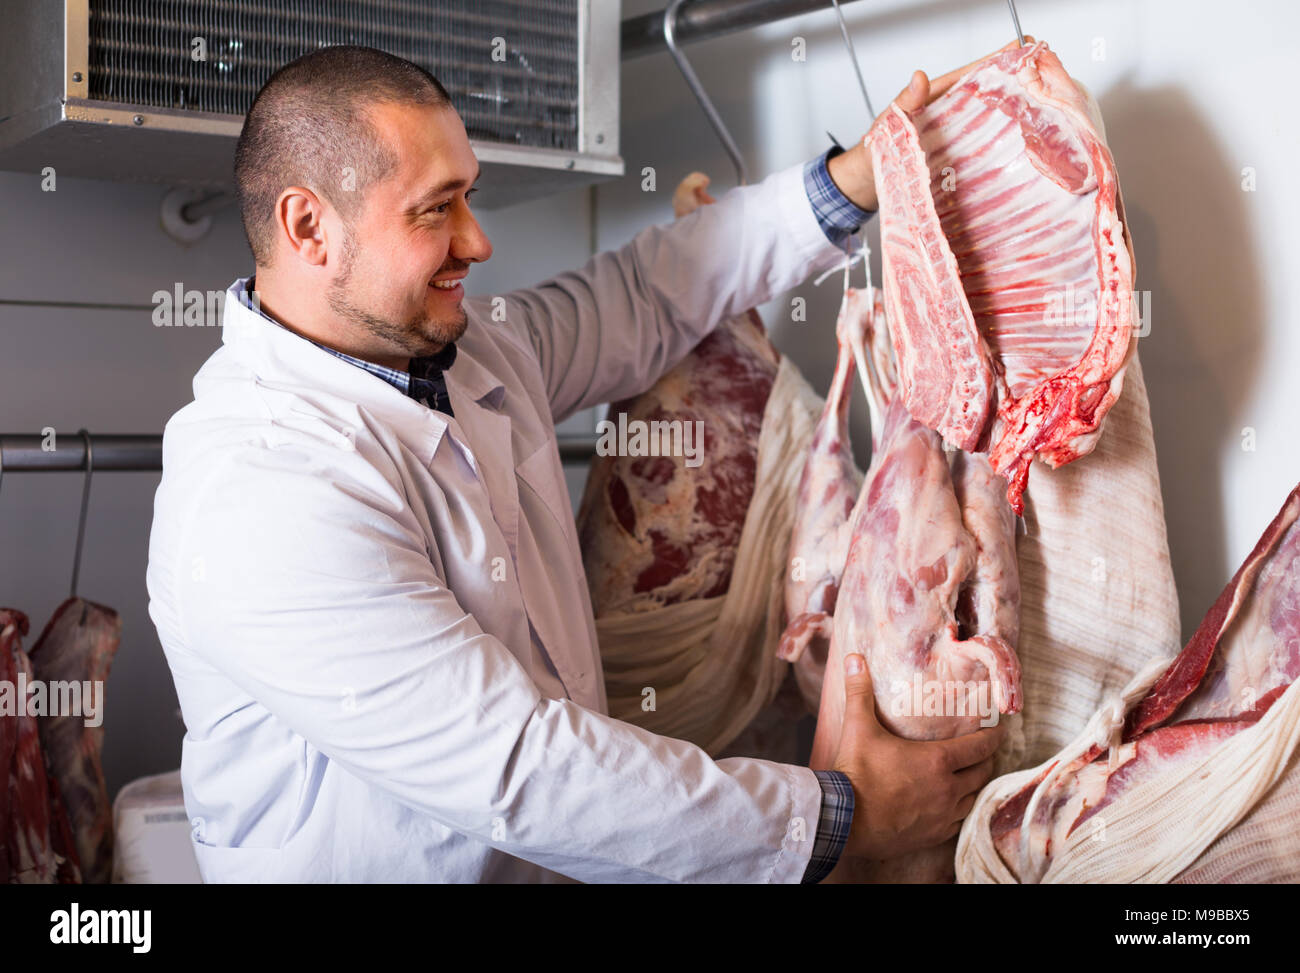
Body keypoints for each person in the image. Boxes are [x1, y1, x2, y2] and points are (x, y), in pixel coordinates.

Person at [147, 43, 1014, 883]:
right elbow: (524, 767)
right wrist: (844, 816)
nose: (476, 241)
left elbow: (643, 295)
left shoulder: (474, 353)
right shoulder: (258, 488)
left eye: (469, 198)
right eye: (434, 208)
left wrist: (853, 182)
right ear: (309, 227)